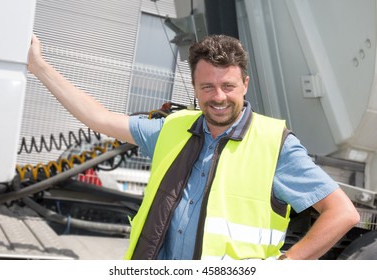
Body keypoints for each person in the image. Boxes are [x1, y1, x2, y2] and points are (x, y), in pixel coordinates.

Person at [27, 34, 359, 260]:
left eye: (228, 85)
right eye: (207, 86)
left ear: (244, 84)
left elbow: (343, 213)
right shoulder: (171, 128)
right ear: (195, 87)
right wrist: (38, 66)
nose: (218, 97)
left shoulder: (275, 145)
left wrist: (289, 266)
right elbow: (97, 117)